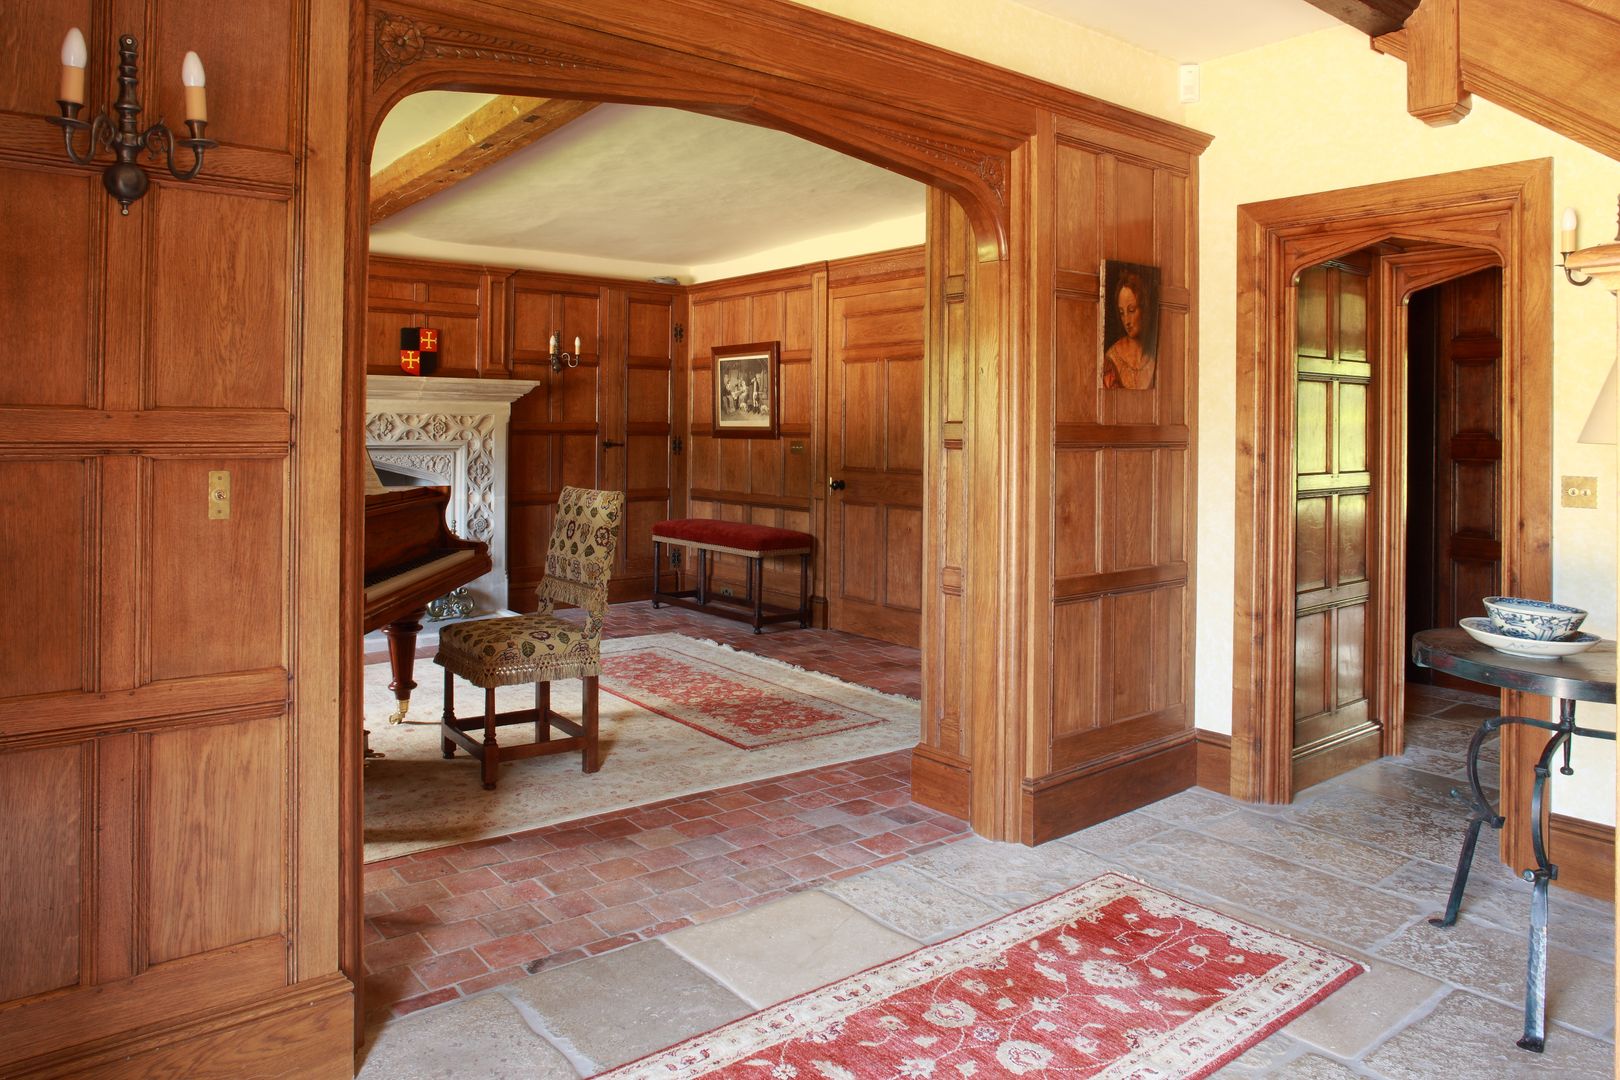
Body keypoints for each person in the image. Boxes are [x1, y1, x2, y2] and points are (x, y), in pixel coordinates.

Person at [1102, 269, 1155, 390]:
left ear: (1144, 309)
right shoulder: (1111, 359)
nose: (1126, 321)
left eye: (1131, 310)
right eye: (1122, 313)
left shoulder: (1154, 355)